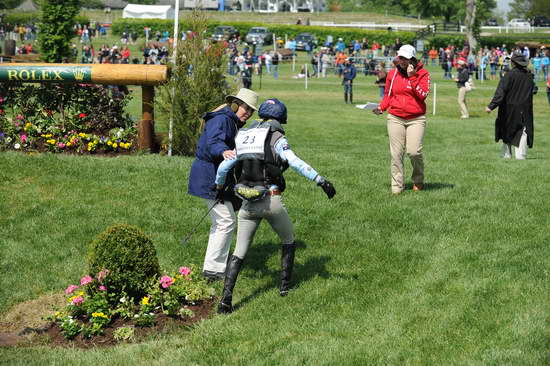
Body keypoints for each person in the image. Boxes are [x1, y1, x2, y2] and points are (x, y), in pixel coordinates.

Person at [213, 99, 336, 313]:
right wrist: (321, 180)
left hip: (247, 202)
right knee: (288, 240)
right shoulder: (277, 137)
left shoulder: (244, 135)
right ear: (280, 118)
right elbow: (294, 161)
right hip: (271, 200)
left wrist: (218, 185)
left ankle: (225, 301)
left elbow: (226, 165)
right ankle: (284, 288)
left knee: (239, 252)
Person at [188, 88, 259, 281]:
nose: (248, 113)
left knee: (223, 221)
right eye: (246, 108)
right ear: (235, 104)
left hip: (215, 176)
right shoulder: (221, 119)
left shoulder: (232, 121)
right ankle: (212, 270)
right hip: (208, 177)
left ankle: (214, 266)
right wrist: (223, 151)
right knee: (225, 222)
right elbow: (213, 142)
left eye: (251, 111)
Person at [372, 45, 430, 194]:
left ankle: (418, 180)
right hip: (395, 117)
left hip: (416, 118)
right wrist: (381, 108)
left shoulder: (423, 74)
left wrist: (412, 77)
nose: (401, 61)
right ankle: (397, 186)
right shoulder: (393, 74)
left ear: (412, 59)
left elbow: (423, 95)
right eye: (400, 58)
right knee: (396, 154)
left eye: (405, 58)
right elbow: (388, 95)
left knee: (414, 152)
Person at [485, 53, 536, 160]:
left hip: (509, 109)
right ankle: (521, 156)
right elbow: (534, 90)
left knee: (507, 130)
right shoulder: (529, 76)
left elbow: (500, 93)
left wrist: (491, 106)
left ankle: (506, 155)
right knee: (523, 131)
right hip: (524, 109)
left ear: (514, 63)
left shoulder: (508, 75)